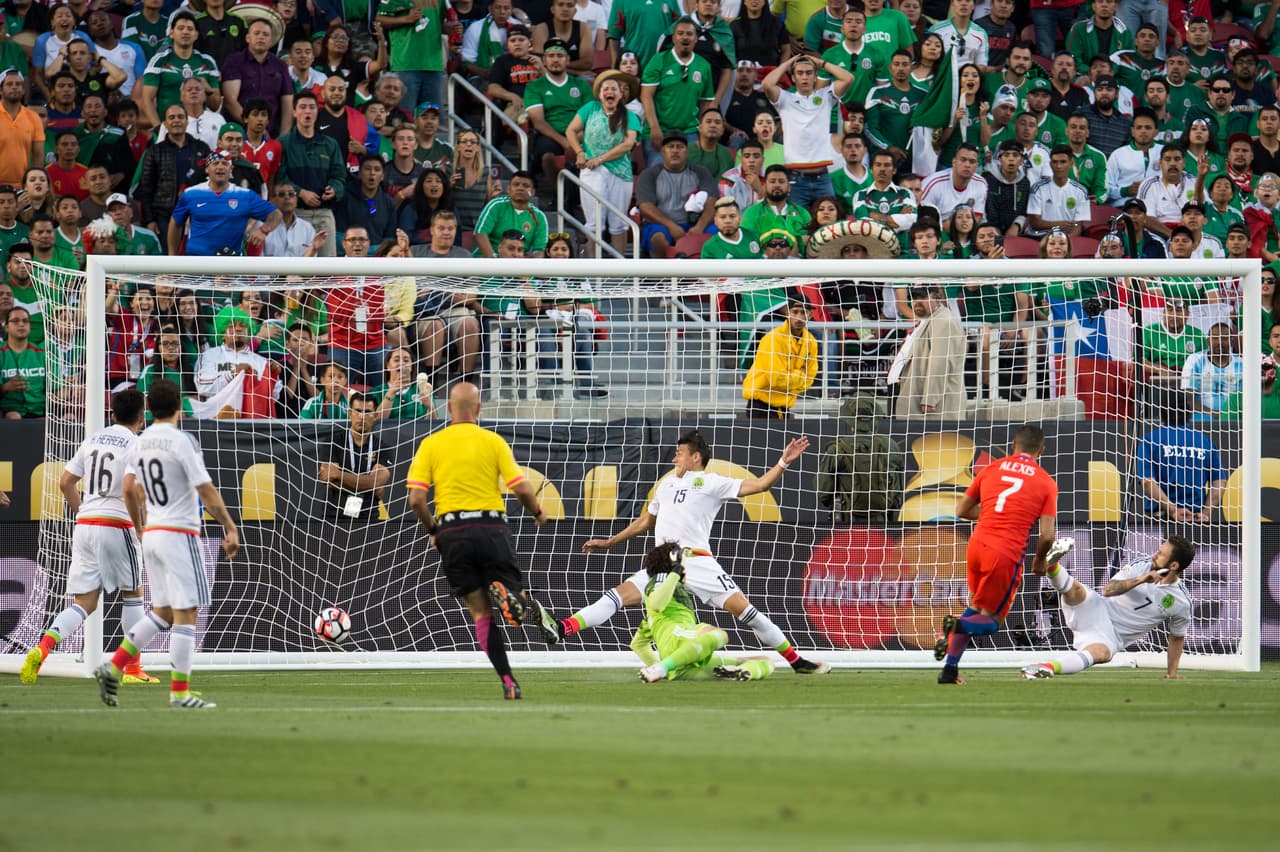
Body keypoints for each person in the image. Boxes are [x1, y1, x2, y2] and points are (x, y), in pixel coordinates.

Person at [565, 429, 831, 674]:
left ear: (695, 456)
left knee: (748, 613)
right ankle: (564, 627)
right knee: (616, 596)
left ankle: (796, 661)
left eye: (679, 454)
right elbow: (647, 521)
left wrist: (783, 462)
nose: (674, 459)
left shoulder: (713, 482)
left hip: (697, 561)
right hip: (664, 564)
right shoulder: (666, 485)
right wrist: (610, 542)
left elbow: (760, 485)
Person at [405, 382, 559, 700]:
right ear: (478, 409)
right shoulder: (492, 441)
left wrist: (434, 530)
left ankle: (508, 681)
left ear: (449, 408)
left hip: (452, 533)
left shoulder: (431, 444)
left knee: (479, 612)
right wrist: (538, 512)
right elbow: (522, 488)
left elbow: (416, 499)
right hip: (491, 527)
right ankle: (510, 594)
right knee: (513, 588)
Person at [94, 378, 239, 709]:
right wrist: (230, 526)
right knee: (187, 612)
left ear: (150, 409)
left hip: (153, 534)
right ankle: (179, 693)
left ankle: (113, 664)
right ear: (178, 407)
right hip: (179, 533)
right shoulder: (180, 440)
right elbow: (205, 489)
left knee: (162, 612)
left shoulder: (140, 442)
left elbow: (130, 487)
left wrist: (140, 527)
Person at [22, 390, 157, 684]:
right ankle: (132, 669)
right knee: (133, 595)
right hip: (116, 523)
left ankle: (42, 650)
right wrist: (139, 527)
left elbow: (65, 482)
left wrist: (82, 511)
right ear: (141, 416)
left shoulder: (94, 438)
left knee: (84, 601)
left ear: (112, 414)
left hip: (84, 524)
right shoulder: (137, 444)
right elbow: (132, 490)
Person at [934, 423, 1058, 685]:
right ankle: (954, 625)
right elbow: (1047, 535)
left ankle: (949, 671)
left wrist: (993, 514)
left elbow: (961, 511)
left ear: (1014, 446)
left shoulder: (991, 468)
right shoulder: (1045, 482)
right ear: (1041, 450)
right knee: (992, 622)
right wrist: (1039, 561)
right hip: (1005, 552)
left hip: (977, 544)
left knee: (975, 608)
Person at [1021, 537, 1194, 680]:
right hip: (1098, 609)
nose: (1155, 555)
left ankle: (1043, 668)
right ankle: (1051, 565)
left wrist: (1172, 673)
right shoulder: (1142, 566)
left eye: (1161, 554)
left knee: (1101, 654)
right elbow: (1108, 590)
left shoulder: (1181, 601)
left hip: (1111, 636)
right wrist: (1141, 579)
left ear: (1173, 566)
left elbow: (1177, 638)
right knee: (1076, 590)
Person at [636, 542, 777, 682]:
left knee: (766, 661)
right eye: (683, 564)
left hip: (682, 665)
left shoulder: (654, 618)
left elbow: (638, 644)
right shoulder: (661, 579)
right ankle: (662, 668)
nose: (685, 569)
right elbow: (657, 604)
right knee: (717, 635)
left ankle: (741, 672)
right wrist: (674, 573)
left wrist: (663, 668)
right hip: (679, 641)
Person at [761, 53, 855, 210]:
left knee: (828, 228)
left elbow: (848, 78)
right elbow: (767, 84)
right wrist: (789, 62)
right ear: (793, 78)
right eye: (799, 73)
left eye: (809, 73)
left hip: (823, 177)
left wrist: (822, 63)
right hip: (796, 180)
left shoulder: (826, 96)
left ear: (815, 77)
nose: (804, 77)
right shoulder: (785, 99)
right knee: (797, 228)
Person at [169, 150, 281, 256]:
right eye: (215, 163)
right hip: (197, 265)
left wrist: (263, 231)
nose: (220, 167)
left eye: (225, 163)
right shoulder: (191, 194)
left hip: (230, 267)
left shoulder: (245, 195)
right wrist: (172, 256)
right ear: (207, 169)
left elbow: (275, 215)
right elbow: (176, 223)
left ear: (231, 168)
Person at [277, 91, 346, 257]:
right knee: (300, 266)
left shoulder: (330, 144)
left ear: (317, 111)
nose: (307, 111)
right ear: (294, 112)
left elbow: (340, 176)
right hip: (296, 213)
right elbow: (280, 178)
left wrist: (335, 189)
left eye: (312, 107)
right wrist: (300, 192)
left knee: (328, 268)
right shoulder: (283, 143)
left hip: (325, 213)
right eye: (302, 107)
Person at [1136, 403, 1226, 526]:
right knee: (1191, 546)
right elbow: (1219, 482)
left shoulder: (1150, 439)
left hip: (1162, 518)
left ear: (1161, 414)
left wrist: (1173, 510)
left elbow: (1147, 482)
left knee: (1163, 546)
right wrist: (1206, 512)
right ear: (1189, 414)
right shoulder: (1204, 441)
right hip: (1196, 518)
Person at [636, 132, 719, 257]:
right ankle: (662, 275)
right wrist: (671, 226)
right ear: (663, 151)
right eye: (670, 147)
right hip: (662, 225)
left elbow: (711, 203)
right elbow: (645, 207)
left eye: (680, 147)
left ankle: (712, 275)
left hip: (696, 224)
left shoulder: (701, 172)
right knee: (658, 239)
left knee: (718, 236)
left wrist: (699, 227)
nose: (675, 151)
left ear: (687, 151)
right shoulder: (649, 174)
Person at [891, 284, 965, 418]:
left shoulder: (943, 321)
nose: (917, 302)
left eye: (923, 297)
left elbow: (941, 361)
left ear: (937, 297)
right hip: (920, 405)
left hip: (934, 411)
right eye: (914, 297)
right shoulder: (930, 319)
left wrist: (930, 399)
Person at [317, 391, 393, 522]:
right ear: (349, 413)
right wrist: (369, 485)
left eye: (367, 412)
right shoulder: (333, 442)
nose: (362, 417)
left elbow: (376, 482)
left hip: (369, 518)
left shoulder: (383, 447)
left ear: (375, 416)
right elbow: (328, 481)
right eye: (357, 411)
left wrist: (338, 475)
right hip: (333, 518)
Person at [741, 297, 819, 419]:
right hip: (760, 406)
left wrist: (792, 377)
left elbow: (810, 379)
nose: (799, 317)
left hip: (784, 407)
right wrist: (800, 375)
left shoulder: (811, 342)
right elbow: (776, 379)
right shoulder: (773, 338)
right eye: (795, 312)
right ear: (788, 313)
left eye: (803, 312)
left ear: (810, 315)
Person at [1025, 145, 1090, 238]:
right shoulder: (1037, 188)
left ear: (1071, 163)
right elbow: (1035, 223)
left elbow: (1078, 226)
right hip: (1039, 237)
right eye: (1055, 162)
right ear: (1050, 164)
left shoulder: (1081, 191)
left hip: (1067, 239)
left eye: (1063, 162)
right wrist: (1060, 224)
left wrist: (1065, 241)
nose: (1058, 166)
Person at [0, 69, 45, 190]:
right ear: (0, 90)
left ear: (24, 90)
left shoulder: (33, 118)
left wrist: (33, 184)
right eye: (9, 84)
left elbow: (38, 156)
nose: (14, 87)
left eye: (18, 84)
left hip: (22, 187)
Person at [0, 306, 46, 419]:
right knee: (14, 416)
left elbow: (55, 390)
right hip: (8, 411)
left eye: (25, 321)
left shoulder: (42, 353)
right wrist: (6, 387)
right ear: (6, 327)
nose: (21, 324)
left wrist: (68, 391)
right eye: (15, 321)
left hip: (40, 411)